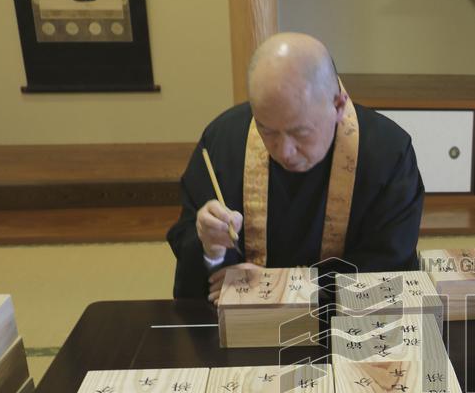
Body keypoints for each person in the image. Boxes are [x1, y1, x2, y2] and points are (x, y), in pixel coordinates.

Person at [167, 32, 425, 300]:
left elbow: (388, 267)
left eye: (300, 133)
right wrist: (210, 248)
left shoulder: (388, 152)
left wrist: (281, 288)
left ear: (338, 105)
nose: (284, 151)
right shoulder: (223, 140)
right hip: (242, 324)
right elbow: (193, 260)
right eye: (267, 131)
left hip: (343, 326)